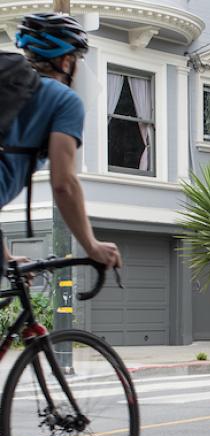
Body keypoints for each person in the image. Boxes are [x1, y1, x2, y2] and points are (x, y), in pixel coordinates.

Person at [2, 13, 121, 269]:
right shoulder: (64, 99)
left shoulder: (8, 91)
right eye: (78, 60)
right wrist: (91, 245)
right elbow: (64, 183)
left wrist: (6, 258)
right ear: (66, 61)